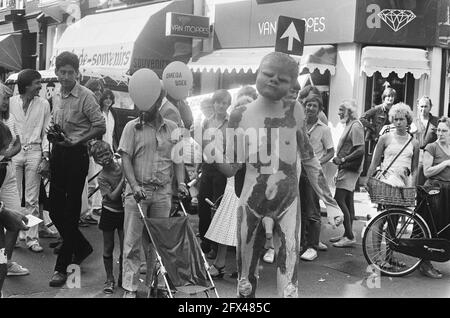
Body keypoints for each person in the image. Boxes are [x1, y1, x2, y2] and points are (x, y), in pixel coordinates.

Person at [211, 52, 339, 298]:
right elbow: (233, 167)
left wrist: (331, 203)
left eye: (281, 79)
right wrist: (214, 152)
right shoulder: (240, 115)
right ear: (258, 73)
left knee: (290, 288)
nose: (272, 81)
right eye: (267, 75)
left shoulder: (295, 111)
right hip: (252, 202)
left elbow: (310, 159)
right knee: (245, 283)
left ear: (291, 84)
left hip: (287, 203)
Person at [119, 88, 189, 298]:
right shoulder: (132, 127)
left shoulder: (173, 128)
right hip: (138, 192)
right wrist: (133, 186)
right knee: (132, 243)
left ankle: (155, 285)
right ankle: (130, 288)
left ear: (158, 102)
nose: (143, 106)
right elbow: (125, 159)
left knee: (159, 243)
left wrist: (182, 183)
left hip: (163, 193)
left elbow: (177, 159)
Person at [48, 51, 106, 287]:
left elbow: (100, 125)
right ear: (57, 72)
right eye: (62, 72)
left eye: (71, 72)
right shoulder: (57, 95)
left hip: (76, 155)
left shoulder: (86, 96)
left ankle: (62, 268)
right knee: (53, 209)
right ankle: (81, 246)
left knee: (70, 212)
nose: (66, 77)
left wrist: (79, 140)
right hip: (58, 153)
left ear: (77, 72)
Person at [205, 95, 254, 279]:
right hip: (233, 182)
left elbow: (240, 166)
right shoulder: (236, 132)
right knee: (226, 222)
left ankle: (246, 270)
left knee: (244, 227)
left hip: (247, 185)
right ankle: (221, 264)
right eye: (239, 108)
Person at [9, 69, 52, 253]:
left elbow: (47, 132)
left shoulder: (43, 104)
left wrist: (46, 157)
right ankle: (18, 234)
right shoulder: (11, 102)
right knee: (15, 197)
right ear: (26, 85)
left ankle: (32, 238)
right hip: (15, 152)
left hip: (34, 150)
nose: (39, 86)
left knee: (32, 199)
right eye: (36, 83)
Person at [299, 91, 335, 261]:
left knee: (312, 209)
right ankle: (300, 242)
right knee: (298, 209)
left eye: (314, 106)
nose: (310, 108)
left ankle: (312, 245)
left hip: (312, 174)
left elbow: (331, 152)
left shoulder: (324, 129)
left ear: (320, 109)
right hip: (297, 172)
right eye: (308, 105)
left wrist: (319, 162)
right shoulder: (298, 124)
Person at [197, 89, 231, 260]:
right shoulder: (206, 122)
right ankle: (204, 241)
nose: (220, 105)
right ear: (214, 103)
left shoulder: (231, 123)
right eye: (218, 102)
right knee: (203, 206)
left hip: (222, 170)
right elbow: (202, 145)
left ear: (228, 105)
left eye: (224, 103)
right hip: (207, 167)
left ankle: (216, 248)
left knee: (217, 208)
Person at [0, 83, 29, 277]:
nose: (5, 102)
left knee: (15, 218)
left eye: (7, 98)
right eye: (3, 97)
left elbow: (17, 142)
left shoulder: (9, 119)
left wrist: (9, 153)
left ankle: (5, 262)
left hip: (6, 170)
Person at [91, 141, 125, 293]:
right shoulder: (102, 177)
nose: (105, 158)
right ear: (96, 161)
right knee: (108, 247)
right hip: (109, 212)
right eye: (100, 156)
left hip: (124, 213)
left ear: (112, 152)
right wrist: (124, 179)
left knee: (126, 248)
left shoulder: (122, 166)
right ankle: (109, 278)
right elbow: (111, 197)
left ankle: (123, 276)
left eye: (106, 153)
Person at [331, 100, 365, 248]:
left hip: (350, 168)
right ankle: (347, 233)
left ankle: (350, 235)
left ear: (349, 111)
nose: (338, 113)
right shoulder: (350, 124)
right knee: (348, 201)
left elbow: (361, 149)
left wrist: (343, 159)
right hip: (346, 167)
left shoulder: (355, 125)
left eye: (341, 110)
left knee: (339, 199)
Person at [420, 116, 450, 278]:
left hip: (447, 193)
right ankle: (425, 263)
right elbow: (427, 172)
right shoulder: (431, 147)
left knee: (444, 228)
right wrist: (445, 164)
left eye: (444, 130)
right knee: (431, 228)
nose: (440, 133)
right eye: (438, 130)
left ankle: (436, 257)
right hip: (434, 191)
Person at [360, 87, 397, 157]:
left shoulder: (395, 110)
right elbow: (362, 118)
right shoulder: (377, 109)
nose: (390, 98)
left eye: (392, 96)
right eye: (388, 96)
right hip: (376, 140)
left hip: (391, 141)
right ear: (384, 98)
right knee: (374, 162)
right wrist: (372, 127)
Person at [410, 96, 438, 185]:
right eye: (421, 106)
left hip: (433, 154)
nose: (423, 109)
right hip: (417, 154)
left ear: (430, 107)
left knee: (431, 182)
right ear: (418, 106)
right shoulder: (412, 121)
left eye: (426, 106)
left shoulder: (437, 121)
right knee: (417, 180)